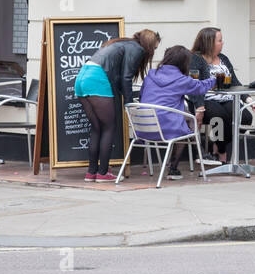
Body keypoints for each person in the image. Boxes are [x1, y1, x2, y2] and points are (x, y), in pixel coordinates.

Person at [74, 29, 160, 182]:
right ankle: (102, 173)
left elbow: (118, 77)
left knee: (97, 128)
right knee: (109, 127)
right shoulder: (138, 49)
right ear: (148, 44)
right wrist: (129, 102)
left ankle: (91, 172)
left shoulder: (122, 43)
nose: (153, 51)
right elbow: (126, 77)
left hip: (82, 76)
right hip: (96, 77)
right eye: (154, 48)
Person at [137, 45, 216, 178]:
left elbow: (141, 96)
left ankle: (193, 157)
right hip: (165, 129)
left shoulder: (150, 75)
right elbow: (200, 87)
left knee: (184, 120)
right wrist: (214, 78)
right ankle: (174, 168)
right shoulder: (181, 80)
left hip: (143, 127)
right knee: (189, 123)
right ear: (183, 63)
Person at [188, 26, 251, 162]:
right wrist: (199, 107)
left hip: (227, 97)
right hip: (206, 100)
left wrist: (247, 98)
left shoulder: (223, 58)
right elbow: (193, 86)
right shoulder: (196, 59)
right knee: (220, 118)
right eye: (220, 40)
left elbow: (234, 81)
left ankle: (218, 144)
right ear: (209, 42)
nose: (223, 43)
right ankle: (221, 152)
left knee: (245, 117)